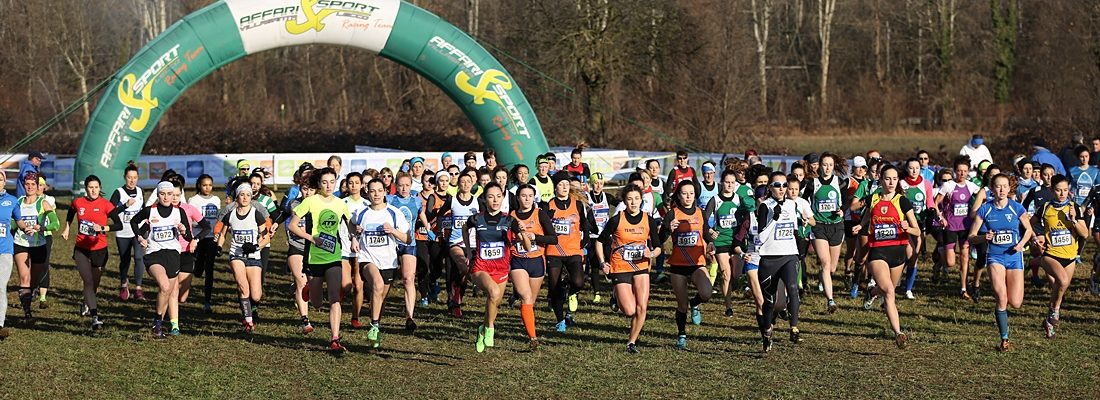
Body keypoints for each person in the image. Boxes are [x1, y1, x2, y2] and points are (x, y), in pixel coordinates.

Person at [853, 165, 920, 348]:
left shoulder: (902, 201)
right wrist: (861, 225)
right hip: (878, 252)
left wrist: (908, 228)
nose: (891, 182)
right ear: (881, 179)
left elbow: (917, 230)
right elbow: (868, 216)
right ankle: (899, 333)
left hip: (898, 253)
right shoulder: (873, 198)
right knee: (889, 292)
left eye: (895, 179)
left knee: (887, 290)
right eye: (887, 178)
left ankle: (871, 292)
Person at [288, 167, 354, 352]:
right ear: (319, 184)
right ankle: (309, 289)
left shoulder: (341, 204)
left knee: (334, 298)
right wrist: (312, 238)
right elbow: (293, 226)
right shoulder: (310, 202)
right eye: (324, 182)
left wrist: (355, 235)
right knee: (317, 303)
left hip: (334, 256)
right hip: (313, 257)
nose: (328, 186)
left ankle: (334, 338)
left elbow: (350, 226)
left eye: (332, 182)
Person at [965, 173, 1033, 351]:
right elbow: (971, 237)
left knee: (1016, 302)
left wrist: (1021, 244)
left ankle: (1004, 328)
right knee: (1001, 298)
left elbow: (1028, 230)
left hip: (1014, 257)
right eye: (998, 186)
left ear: (1010, 188)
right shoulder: (985, 209)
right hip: (995, 257)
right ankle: (1004, 338)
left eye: (1005, 186)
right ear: (992, 188)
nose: (1001, 189)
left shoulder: (1016, 208)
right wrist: (983, 237)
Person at [596, 185, 661, 353]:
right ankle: (616, 294)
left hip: (641, 266)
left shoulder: (648, 220)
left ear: (641, 200)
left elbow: (659, 247)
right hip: (620, 266)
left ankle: (631, 343)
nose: (633, 202)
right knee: (630, 310)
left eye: (636, 199)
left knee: (642, 307)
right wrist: (603, 263)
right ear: (624, 201)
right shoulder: (617, 219)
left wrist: (652, 253)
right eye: (630, 199)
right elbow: (599, 241)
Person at [130, 180, 194, 339]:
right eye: (162, 194)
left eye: (169, 194)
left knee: (167, 292)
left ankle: (157, 323)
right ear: (158, 195)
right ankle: (157, 325)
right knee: (165, 286)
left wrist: (184, 230)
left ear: (174, 195)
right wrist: (139, 237)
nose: (166, 197)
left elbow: (188, 236)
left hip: (172, 254)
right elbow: (133, 221)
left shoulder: (179, 212)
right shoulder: (150, 211)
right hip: (154, 253)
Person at [353, 178, 412, 348]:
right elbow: (351, 224)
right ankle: (374, 325)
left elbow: (408, 238)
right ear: (367, 192)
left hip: (389, 261)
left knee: (381, 297)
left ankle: (375, 326)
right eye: (372, 191)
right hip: (367, 258)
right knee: (377, 285)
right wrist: (354, 237)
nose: (376, 194)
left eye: (379, 190)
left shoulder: (394, 213)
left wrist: (393, 231)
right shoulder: (361, 212)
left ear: (385, 192)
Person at [659, 180, 713, 350]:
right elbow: (659, 240)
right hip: (678, 265)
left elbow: (705, 235)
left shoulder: (700, 213)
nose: (688, 196)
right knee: (681, 305)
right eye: (684, 193)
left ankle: (695, 303)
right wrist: (668, 228)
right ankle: (681, 335)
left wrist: (711, 244)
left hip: (697, 263)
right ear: (679, 195)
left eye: (691, 193)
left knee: (707, 293)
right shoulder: (672, 214)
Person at [752, 172, 804, 352]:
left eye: (784, 185)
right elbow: (761, 237)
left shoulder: (792, 204)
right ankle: (767, 332)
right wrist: (774, 218)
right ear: (770, 188)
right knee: (769, 302)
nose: (782, 189)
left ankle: (794, 327)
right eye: (777, 185)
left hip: (789, 255)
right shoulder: (765, 206)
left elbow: (795, 230)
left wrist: (800, 251)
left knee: (792, 287)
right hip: (769, 259)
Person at [1033, 175, 1088, 341]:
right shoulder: (1045, 208)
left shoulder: (1074, 208)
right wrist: (1035, 237)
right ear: (1052, 190)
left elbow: (1085, 234)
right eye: (1058, 190)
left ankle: (1049, 320)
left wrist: (1073, 220)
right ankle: (1055, 310)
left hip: (1070, 256)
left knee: (1060, 287)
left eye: (1065, 190)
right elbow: (1029, 223)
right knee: (1062, 281)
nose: (1062, 193)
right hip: (1051, 254)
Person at [60, 175, 116, 330]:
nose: (94, 190)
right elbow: (71, 212)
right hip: (81, 249)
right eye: (91, 187)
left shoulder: (106, 204)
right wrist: (67, 227)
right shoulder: (78, 202)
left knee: (94, 284)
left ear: (100, 188)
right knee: (89, 282)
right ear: (86, 188)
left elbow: (118, 224)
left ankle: (86, 302)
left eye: (96, 187)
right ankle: (95, 317)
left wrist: (103, 229)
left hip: (100, 250)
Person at [215, 183, 269, 333]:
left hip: (254, 256)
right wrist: (219, 247)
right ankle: (249, 321)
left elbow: (266, 237)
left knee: (256, 295)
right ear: (237, 197)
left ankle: (249, 310)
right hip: (236, 255)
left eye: (248, 195)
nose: (245, 198)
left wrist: (256, 247)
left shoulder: (256, 214)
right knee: (243, 287)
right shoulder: (230, 214)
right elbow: (223, 234)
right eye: (242, 195)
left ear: (251, 197)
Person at [510, 185, 556, 349]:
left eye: (530, 195)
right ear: (518, 197)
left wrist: (535, 237)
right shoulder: (512, 216)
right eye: (523, 195)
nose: (527, 198)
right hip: (518, 260)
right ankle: (533, 338)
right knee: (526, 297)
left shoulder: (540, 214)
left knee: (530, 301)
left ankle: (528, 324)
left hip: (537, 262)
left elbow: (553, 239)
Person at [546, 171, 590, 332]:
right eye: (560, 185)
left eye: (566, 184)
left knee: (578, 282)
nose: (564, 188)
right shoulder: (548, 205)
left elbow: (585, 223)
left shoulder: (577, 204)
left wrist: (585, 238)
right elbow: (542, 226)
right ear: (555, 187)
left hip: (573, 250)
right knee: (554, 287)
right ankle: (560, 321)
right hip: (554, 251)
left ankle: (569, 289)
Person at [804, 152, 848, 313]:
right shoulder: (812, 183)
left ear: (834, 166)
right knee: (825, 262)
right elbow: (804, 202)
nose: (827, 168)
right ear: (819, 166)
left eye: (830, 165)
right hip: (819, 226)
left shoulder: (840, 182)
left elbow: (847, 201)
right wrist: (808, 216)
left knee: (832, 268)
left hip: (836, 226)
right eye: (824, 164)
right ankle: (830, 300)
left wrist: (842, 210)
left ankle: (824, 278)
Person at [703, 169, 750, 317]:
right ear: (722, 182)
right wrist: (710, 231)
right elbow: (703, 218)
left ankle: (736, 289)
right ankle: (728, 306)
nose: (729, 185)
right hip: (721, 241)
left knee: (736, 274)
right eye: (727, 182)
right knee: (726, 274)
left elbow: (748, 216)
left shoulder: (739, 199)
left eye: (732, 182)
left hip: (736, 241)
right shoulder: (715, 200)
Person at [12, 173, 57, 324]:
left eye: (33, 184)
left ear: (38, 186)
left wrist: (40, 227)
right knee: (24, 278)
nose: (30, 187)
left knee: (34, 280)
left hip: (39, 245)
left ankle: (29, 299)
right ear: (24, 185)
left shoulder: (43, 203)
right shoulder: (18, 202)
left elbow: (55, 224)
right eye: (27, 184)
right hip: (21, 243)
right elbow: (13, 224)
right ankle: (27, 313)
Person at [934, 157, 980, 300]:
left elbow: (983, 196)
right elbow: (935, 203)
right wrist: (940, 217)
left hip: (965, 227)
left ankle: (963, 289)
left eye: (965, 171)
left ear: (968, 172)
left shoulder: (971, 186)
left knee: (965, 258)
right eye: (959, 171)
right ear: (955, 171)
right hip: (950, 226)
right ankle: (940, 259)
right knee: (950, 262)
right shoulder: (948, 186)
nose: (962, 174)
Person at [168, 175, 210, 330]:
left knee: (183, 296)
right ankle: (174, 323)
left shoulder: (189, 209)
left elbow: (206, 227)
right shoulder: (160, 210)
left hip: (187, 252)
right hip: (170, 252)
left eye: (177, 195)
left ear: (181, 194)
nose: (174, 198)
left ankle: (170, 306)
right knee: (172, 289)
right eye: (171, 194)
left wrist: (196, 240)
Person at [436, 172, 481, 317]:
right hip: (455, 242)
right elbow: (441, 215)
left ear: (473, 183)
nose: (466, 184)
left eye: (469, 181)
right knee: (463, 266)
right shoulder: (452, 200)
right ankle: (455, 300)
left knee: (465, 274)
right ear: (458, 184)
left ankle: (456, 298)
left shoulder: (478, 202)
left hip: (473, 243)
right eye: (463, 182)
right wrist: (441, 231)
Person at [387, 173, 425, 331]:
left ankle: (410, 316)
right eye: (401, 185)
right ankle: (378, 312)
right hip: (390, 243)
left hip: (409, 243)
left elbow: (420, 215)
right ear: (396, 185)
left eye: (407, 185)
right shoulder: (389, 200)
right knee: (386, 281)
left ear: (411, 186)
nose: (404, 188)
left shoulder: (416, 201)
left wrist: (428, 228)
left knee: (408, 279)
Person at [900, 158, 934, 299]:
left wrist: (931, 212)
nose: (914, 171)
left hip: (919, 224)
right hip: (905, 224)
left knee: (915, 256)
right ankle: (899, 280)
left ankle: (908, 288)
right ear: (906, 169)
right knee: (910, 252)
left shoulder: (925, 183)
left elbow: (929, 201)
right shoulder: (901, 184)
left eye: (917, 168)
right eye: (911, 168)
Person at [112, 162, 147, 301]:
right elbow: (111, 212)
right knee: (125, 259)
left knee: (139, 258)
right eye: (129, 177)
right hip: (123, 232)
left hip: (137, 232)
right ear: (124, 177)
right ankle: (124, 284)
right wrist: (125, 205)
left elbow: (143, 211)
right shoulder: (118, 192)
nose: (132, 180)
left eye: (135, 177)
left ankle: (138, 288)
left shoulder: (140, 191)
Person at [187, 174, 221, 313]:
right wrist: (201, 223)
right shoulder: (193, 200)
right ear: (199, 186)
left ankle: (207, 301)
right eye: (204, 185)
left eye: (210, 185)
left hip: (212, 237)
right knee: (199, 269)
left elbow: (219, 218)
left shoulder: (216, 200)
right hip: (198, 237)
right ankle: (196, 267)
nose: (207, 188)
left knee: (210, 268)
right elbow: (189, 219)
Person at [0, 170, 22, 339]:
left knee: (1, 286)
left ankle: (0, 324)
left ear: (5, 181)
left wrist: (28, 227)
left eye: (1, 179)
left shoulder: (12, 201)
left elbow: (19, 221)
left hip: (5, 250)